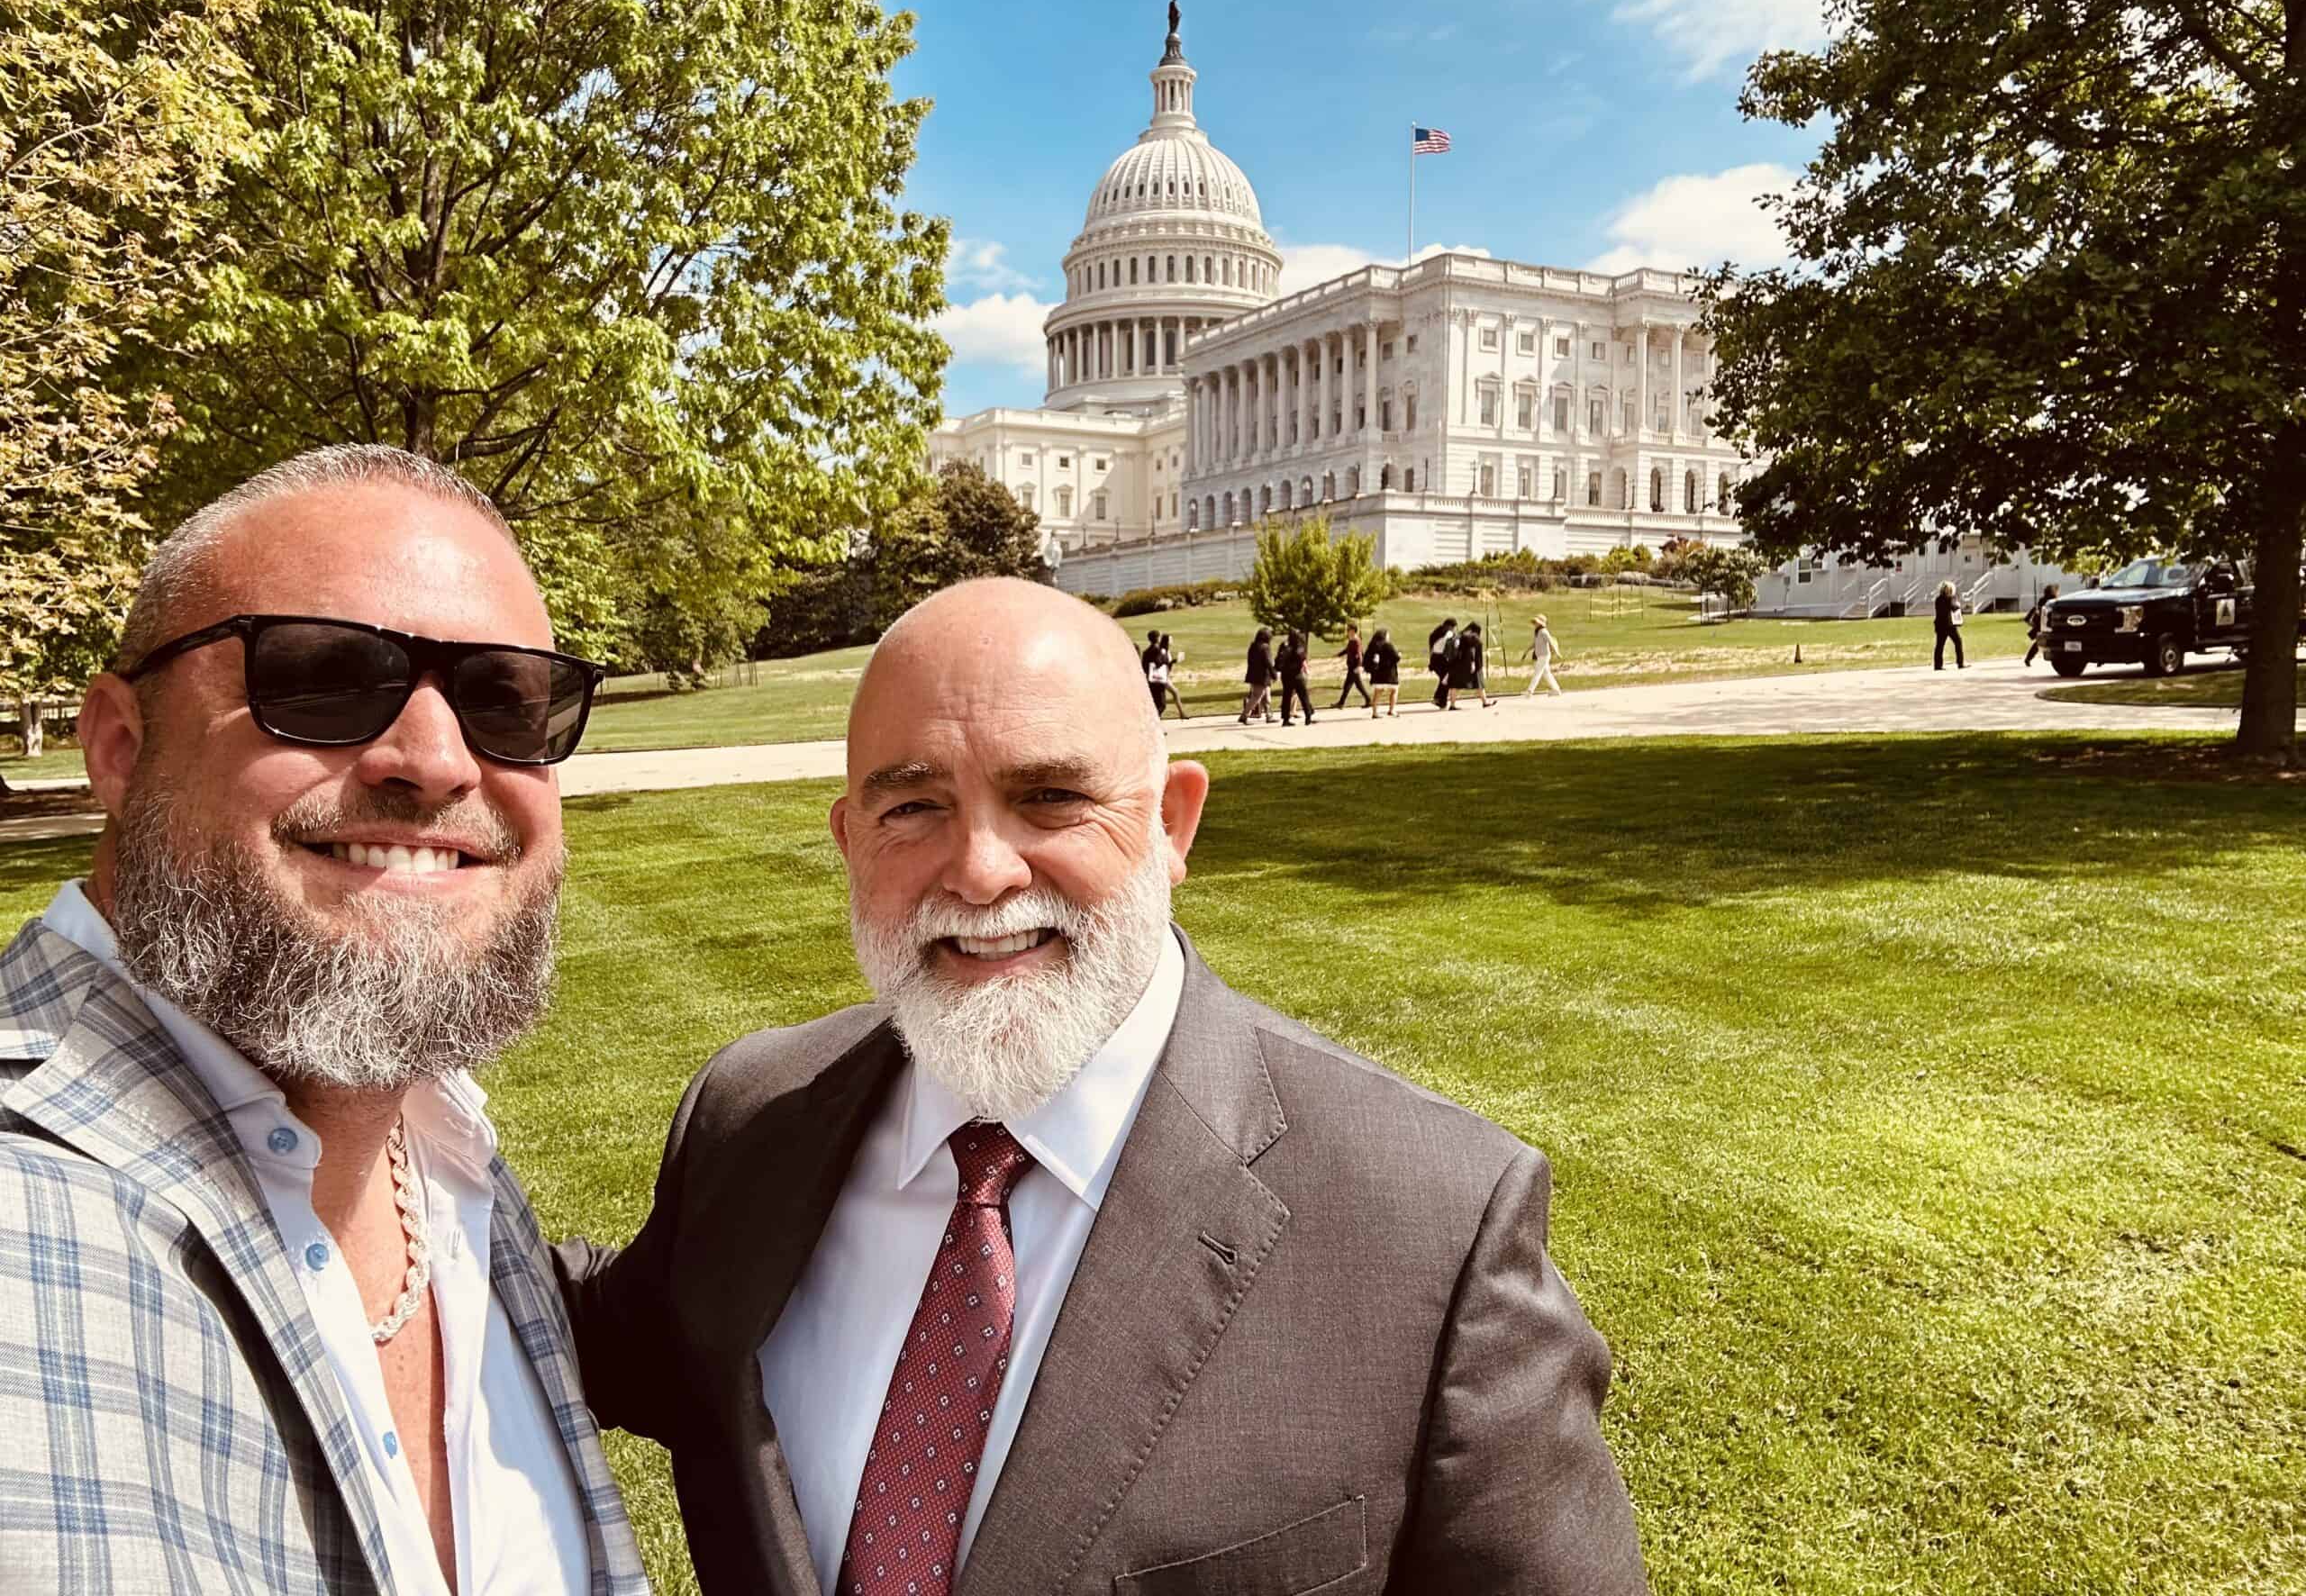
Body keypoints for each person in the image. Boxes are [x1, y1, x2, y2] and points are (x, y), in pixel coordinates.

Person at [554, 577, 1649, 1595]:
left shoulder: (1430, 1227)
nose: (981, 869)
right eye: (911, 808)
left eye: (1051, 798)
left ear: (1173, 824)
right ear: (849, 841)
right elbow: (560, 1323)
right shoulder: (755, 1120)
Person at [0, 446, 646, 1594]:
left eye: (505, 700)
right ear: (119, 746)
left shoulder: (451, 1166)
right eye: (326, 676)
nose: (437, 762)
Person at [1448, 619, 1494, 709]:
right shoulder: (1473, 637)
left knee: (1456, 685)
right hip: (1471, 665)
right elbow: (1472, 651)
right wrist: (1473, 663)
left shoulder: (1460, 636)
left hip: (1457, 664)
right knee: (1479, 684)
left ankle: (1452, 705)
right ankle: (1485, 702)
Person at [1142, 630, 1187, 720]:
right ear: (1157, 638)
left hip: (1152, 678)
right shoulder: (1160, 651)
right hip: (1159, 678)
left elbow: (1144, 666)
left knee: (1159, 703)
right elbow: (1160, 663)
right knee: (1161, 705)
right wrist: (1173, 661)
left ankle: (1181, 713)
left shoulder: (1146, 652)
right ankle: (1155, 723)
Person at [1276, 629, 1315, 725]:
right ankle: (1308, 716)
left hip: (1286, 675)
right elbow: (1302, 658)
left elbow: (1279, 658)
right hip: (1297, 675)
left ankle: (1285, 719)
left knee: (1286, 696)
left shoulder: (1284, 646)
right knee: (1303, 696)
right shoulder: (1299, 647)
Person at [1238, 626, 1276, 723]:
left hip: (1253, 674)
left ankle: (1269, 715)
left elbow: (1250, 660)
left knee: (1266, 697)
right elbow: (1268, 663)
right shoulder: (1265, 647)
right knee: (1257, 697)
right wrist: (1274, 674)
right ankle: (1244, 715)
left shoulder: (1253, 646)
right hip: (1262, 676)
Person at [1332, 623, 1373, 710]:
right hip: (1352, 666)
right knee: (1353, 685)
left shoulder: (1355, 640)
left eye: (1349, 629)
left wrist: (1359, 665)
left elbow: (1359, 654)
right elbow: (1348, 650)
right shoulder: (1353, 639)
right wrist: (1339, 654)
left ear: (1353, 630)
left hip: (1354, 666)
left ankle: (1341, 703)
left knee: (1350, 685)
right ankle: (1367, 700)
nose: (1347, 631)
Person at [1365, 624, 1403, 717]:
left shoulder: (1373, 646)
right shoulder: (1388, 645)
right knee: (1394, 690)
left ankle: (1374, 712)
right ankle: (1391, 710)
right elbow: (1396, 658)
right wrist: (1400, 655)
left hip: (1377, 674)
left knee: (1377, 692)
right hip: (1389, 674)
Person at [1525, 612, 1566, 697]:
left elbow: (1551, 642)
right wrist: (1527, 651)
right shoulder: (1538, 632)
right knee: (1546, 673)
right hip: (1540, 656)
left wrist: (1557, 652)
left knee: (1538, 672)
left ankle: (1530, 691)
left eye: (1536, 623)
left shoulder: (1544, 632)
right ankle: (1556, 690)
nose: (1535, 624)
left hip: (1544, 656)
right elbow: (1535, 643)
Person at [1934, 580, 1967, 671]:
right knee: (1958, 642)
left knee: (1939, 645)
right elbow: (1955, 608)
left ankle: (1937, 665)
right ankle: (1960, 663)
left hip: (1940, 625)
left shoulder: (1938, 599)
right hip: (1949, 625)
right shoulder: (1950, 599)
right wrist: (1959, 604)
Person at [2023, 585, 2059, 667]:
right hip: (2048, 624)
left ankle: (2028, 659)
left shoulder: (2041, 600)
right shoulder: (2052, 601)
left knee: (2038, 644)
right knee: (2040, 643)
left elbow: (2036, 610)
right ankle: (2028, 659)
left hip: (2041, 624)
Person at [1427, 615, 1459, 707]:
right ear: (1450, 626)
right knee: (1446, 679)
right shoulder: (1448, 633)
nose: (1454, 629)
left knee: (1444, 679)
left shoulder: (1436, 632)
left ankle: (1441, 701)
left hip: (1434, 658)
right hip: (1441, 659)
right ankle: (1438, 699)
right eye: (1453, 627)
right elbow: (1452, 643)